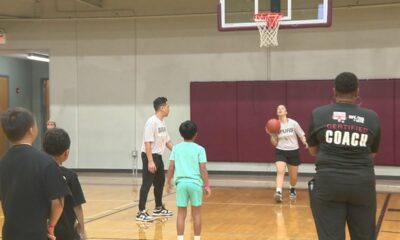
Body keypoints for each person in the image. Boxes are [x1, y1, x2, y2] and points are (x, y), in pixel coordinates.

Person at [307, 72, 381, 240]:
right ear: (357, 92)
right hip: (362, 184)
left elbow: (313, 151)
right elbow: (372, 153)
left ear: (334, 91)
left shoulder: (318, 114)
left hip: (328, 184)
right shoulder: (371, 117)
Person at [0, 107, 69, 240]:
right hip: (37, 234)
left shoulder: (2, 162)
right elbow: (59, 201)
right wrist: (51, 226)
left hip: (9, 233)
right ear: (31, 130)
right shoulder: (46, 162)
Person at [166, 120, 211, 240]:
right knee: (196, 214)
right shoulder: (200, 149)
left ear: (181, 134)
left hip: (181, 184)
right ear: (196, 134)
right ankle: (197, 238)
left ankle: (180, 238)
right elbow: (203, 168)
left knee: (181, 214)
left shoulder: (176, 148)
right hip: (195, 184)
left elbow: (171, 167)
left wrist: (168, 181)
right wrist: (207, 185)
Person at [43, 128, 87, 240]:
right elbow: (77, 206)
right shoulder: (71, 176)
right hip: (66, 231)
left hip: (43, 230)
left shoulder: (39, 173)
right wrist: (82, 229)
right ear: (66, 152)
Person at [136, 97, 174, 222]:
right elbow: (147, 142)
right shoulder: (151, 122)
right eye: (167, 106)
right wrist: (150, 161)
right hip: (150, 156)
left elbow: (167, 140)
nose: (169, 109)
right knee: (146, 184)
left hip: (158, 156)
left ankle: (158, 207)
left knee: (160, 182)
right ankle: (141, 211)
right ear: (162, 108)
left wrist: (177, 151)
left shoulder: (162, 122)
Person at [266, 104, 307, 203]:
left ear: (286, 112)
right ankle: (278, 192)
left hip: (293, 151)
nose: (280, 110)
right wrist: (272, 135)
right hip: (281, 151)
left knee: (294, 177)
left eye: (282, 108)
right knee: (280, 171)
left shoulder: (293, 123)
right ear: (277, 113)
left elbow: (301, 135)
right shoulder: (275, 125)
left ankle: (292, 188)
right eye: (278, 109)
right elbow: (275, 143)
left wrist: (305, 142)